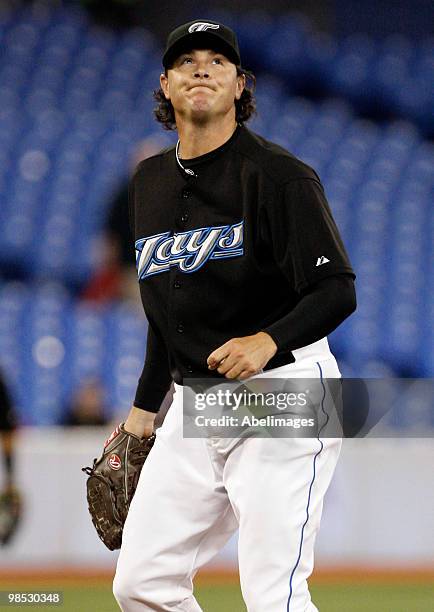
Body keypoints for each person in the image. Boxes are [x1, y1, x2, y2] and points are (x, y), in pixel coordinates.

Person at [113, 19, 356, 612]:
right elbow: (163, 309)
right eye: (187, 60)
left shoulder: (280, 176)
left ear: (241, 85)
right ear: (166, 85)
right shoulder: (148, 182)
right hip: (197, 400)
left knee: (273, 595)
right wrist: (143, 412)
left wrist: (267, 341)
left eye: (218, 61)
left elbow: (336, 291)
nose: (202, 68)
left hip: (283, 390)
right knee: (142, 583)